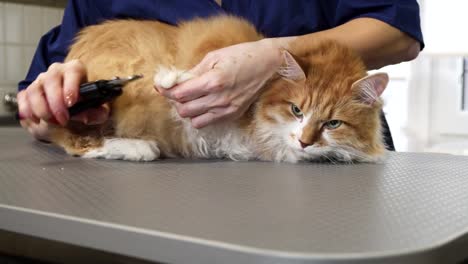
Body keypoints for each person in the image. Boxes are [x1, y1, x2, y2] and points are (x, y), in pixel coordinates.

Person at [17, 0, 424, 150]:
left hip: (332, 150)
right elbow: (37, 92)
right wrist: (49, 108)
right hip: (160, 179)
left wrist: (274, 54)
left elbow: (399, 31)